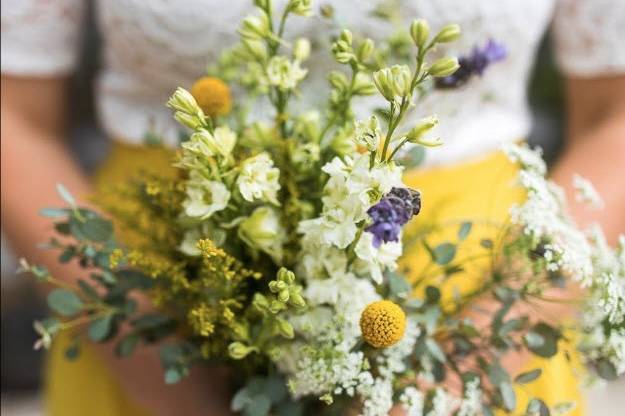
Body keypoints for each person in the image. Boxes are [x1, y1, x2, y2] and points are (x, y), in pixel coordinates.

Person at [1, 1, 624, 415]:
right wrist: (161, 364)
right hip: (157, 305)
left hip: (481, 296)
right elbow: (14, 116)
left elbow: (614, 115)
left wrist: (474, 359)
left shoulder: (485, 344)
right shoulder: (151, 342)